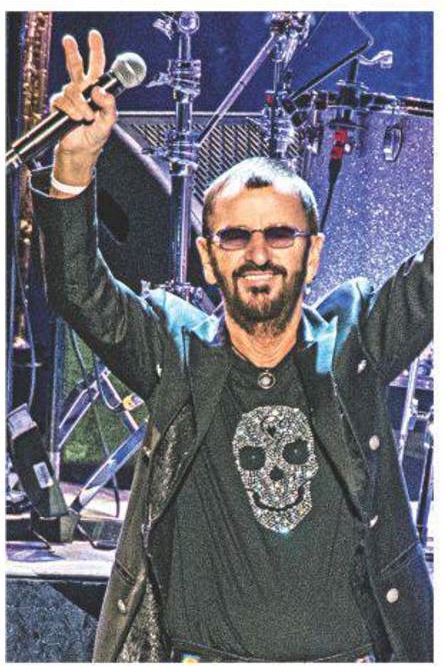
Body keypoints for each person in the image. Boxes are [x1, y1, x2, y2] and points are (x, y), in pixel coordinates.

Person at [30, 30, 433, 663]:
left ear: (313, 252)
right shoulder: (178, 351)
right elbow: (79, 291)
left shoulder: (356, 340)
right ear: (207, 256)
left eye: (280, 234)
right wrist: (75, 165)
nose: (258, 252)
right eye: (235, 236)